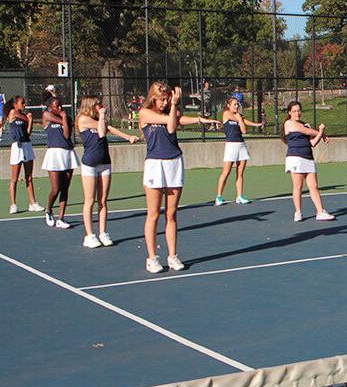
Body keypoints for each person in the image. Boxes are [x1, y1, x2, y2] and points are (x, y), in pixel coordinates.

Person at [140, 82, 218, 273]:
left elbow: (178, 121)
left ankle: (172, 255)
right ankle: (152, 258)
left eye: (168, 99)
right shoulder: (145, 113)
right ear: (153, 97)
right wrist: (174, 107)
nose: (165, 102)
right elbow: (171, 127)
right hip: (155, 165)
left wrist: (201, 119)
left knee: (171, 213)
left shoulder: (171, 112)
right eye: (162, 99)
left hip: (174, 162)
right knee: (153, 214)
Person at [76, 95, 140, 248]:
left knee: (103, 201)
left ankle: (103, 233)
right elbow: (102, 133)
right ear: (91, 105)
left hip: (105, 163)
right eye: (98, 104)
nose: (101, 106)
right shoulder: (83, 119)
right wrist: (103, 116)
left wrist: (128, 137)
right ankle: (89, 235)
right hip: (90, 164)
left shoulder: (99, 121)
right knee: (89, 200)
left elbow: (109, 128)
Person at [282, 100, 334, 222]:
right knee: (298, 186)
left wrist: (320, 134)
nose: (297, 113)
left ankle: (320, 212)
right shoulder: (289, 124)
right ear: (289, 112)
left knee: (314, 186)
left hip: (308, 158)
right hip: (295, 158)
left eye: (299, 111)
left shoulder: (304, 124)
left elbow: (312, 143)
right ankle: (298, 212)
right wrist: (322, 133)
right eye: (294, 111)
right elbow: (307, 131)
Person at [214, 96, 263, 205]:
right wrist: (241, 119)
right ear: (228, 105)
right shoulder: (226, 114)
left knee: (240, 173)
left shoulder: (239, 117)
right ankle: (218, 197)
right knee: (226, 172)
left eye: (237, 104)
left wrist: (256, 124)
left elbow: (244, 130)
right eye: (234, 104)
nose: (236, 106)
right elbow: (241, 120)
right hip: (231, 146)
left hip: (241, 145)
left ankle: (239, 196)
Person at [41, 95, 79, 228]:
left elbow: (67, 135)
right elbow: (48, 116)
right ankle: (49, 210)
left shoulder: (66, 118)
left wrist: (64, 118)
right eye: (56, 106)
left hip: (67, 153)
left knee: (65, 188)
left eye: (61, 105)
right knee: (56, 188)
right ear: (50, 107)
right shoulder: (46, 115)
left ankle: (61, 218)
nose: (60, 107)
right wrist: (64, 120)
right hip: (54, 154)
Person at [5, 96, 43, 214]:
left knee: (29, 177)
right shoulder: (13, 112)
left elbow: (28, 132)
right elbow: (20, 116)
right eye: (22, 103)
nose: (24, 105)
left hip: (27, 145)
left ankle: (32, 203)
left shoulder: (24, 116)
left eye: (24, 103)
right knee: (14, 178)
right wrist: (27, 118)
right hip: (17, 146)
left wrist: (30, 121)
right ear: (15, 104)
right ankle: (13, 204)